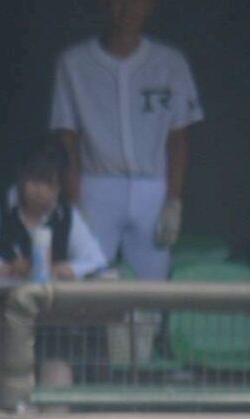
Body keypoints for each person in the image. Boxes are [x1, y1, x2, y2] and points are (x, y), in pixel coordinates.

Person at [50, 0, 203, 279]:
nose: (128, 8)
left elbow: (178, 137)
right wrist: (74, 201)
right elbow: (67, 139)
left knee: (153, 287)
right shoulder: (73, 63)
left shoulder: (171, 62)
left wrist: (173, 200)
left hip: (152, 186)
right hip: (96, 185)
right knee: (86, 280)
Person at [0, 137, 107, 285]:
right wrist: (7, 269)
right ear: (21, 175)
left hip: (50, 300)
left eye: (50, 184)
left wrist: (66, 270)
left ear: (59, 188)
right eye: (35, 181)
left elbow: (97, 261)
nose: (41, 191)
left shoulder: (66, 214)